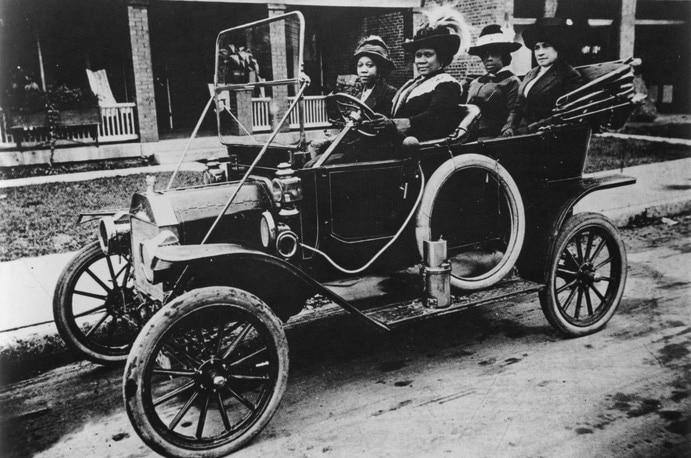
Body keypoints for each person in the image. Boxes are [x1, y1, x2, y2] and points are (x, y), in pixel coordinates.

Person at [368, 6, 470, 142]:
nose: (421, 61)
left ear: (441, 57)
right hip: (399, 140)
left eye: (428, 55)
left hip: (420, 146)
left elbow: (436, 116)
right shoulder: (413, 84)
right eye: (418, 55)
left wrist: (394, 124)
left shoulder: (447, 84)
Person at [517, 17, 583, 131]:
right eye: (536, 48)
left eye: (546, 46)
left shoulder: (569, 75)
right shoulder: (531, 73)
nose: (540, 53)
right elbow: (518, 105)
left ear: (558, 47)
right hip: (521, 131)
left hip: (545, 135)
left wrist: (530, 129)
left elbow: (565, 113)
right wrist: (509, 126)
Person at [466, 24, 522, 138]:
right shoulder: (475, 82)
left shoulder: (511, 81)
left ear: (503, 55)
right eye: (485, 54)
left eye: (494, 53)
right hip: (469, 134)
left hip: (494, 136)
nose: (489, 58)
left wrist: (508, 128)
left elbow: (514, 110)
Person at [351, 35, 398, 115]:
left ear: (380, 69)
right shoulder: (358, 96)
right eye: (360, 65)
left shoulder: (389, 93)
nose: (363, 70)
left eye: (369, 65)